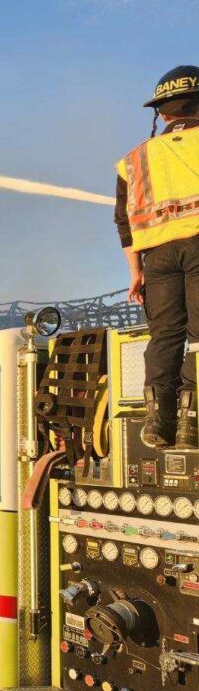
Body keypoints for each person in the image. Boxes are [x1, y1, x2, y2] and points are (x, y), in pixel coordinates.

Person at [116, 66, 199, 448]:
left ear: (163, 114)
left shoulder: (134, 160)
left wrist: (136, 272)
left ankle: (158, 422)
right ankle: (192, 422)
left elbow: (124, 221)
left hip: (158, 259)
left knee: (164, 337)